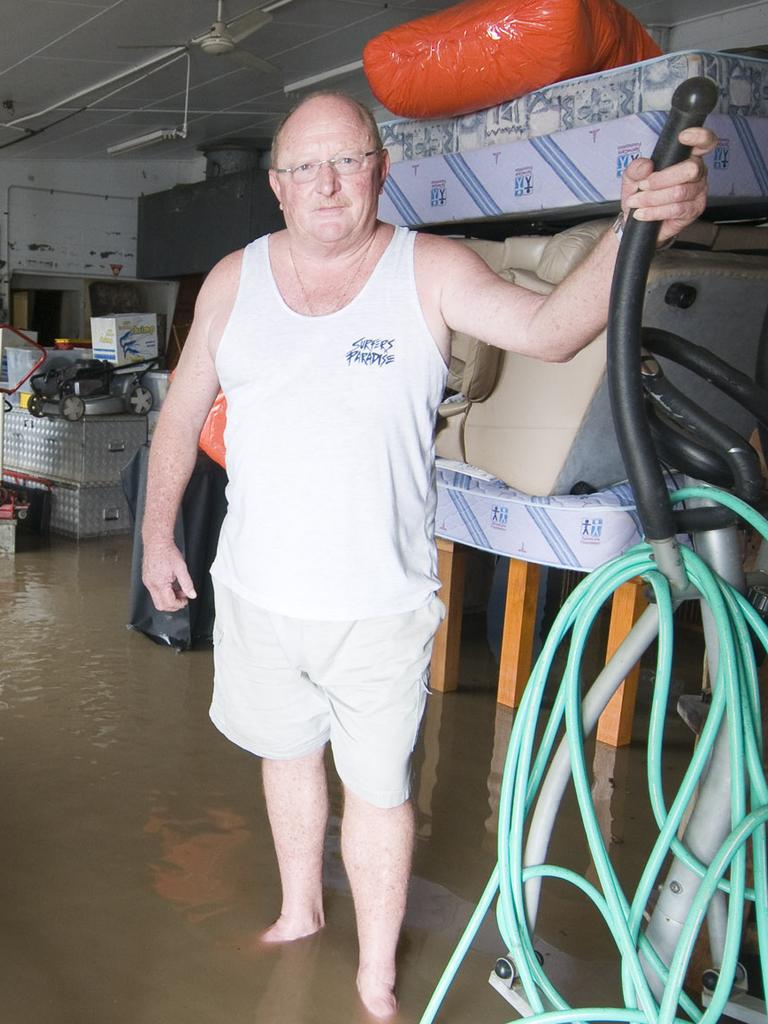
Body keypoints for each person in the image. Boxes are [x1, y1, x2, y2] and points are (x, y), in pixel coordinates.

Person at [142, 91, 716, 1017]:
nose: (328, 184)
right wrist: (156, 531)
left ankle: (374, 970)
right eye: (306, 168)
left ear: (380, 171)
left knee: (377, 793)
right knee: (286, 757)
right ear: (278, 188)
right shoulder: (229, 281)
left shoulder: (428, 270)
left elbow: (553, 330)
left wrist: (632, 226)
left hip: (379, 606)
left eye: (348, 162)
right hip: (255, 594)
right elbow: (179, 414)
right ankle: (298, 911)